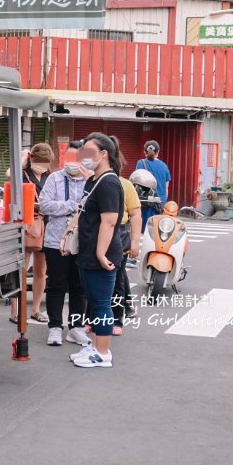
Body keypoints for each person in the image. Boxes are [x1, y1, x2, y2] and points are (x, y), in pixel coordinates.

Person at [68, 132, 124, 369]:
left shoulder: (109, 182)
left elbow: (109, 221)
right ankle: (96, 345)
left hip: (102, 254)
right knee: (94, 301)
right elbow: (83, 213)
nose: (84, 156)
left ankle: (103, 353)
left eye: (89, 152)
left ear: (103, 154)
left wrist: (101, 254)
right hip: (88, 252)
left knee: (102, 304)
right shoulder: (94, 180)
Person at [39, 144, 89, 347]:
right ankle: (55, 327)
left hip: (82, 241)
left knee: (79, 285)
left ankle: (76, 328)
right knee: (56, 284)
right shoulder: (55, 178)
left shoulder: (90, 181)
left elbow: (92, 208)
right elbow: (44, 205)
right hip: (55, 240)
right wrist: (70, 206)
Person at [9, 143, 53, 324]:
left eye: (45, 162)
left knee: (41, 271)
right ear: (31, 159)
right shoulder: (22, 173)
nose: (42, 165)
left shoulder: (51, 177)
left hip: (45, 225)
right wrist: (21, 158)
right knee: (21, 268)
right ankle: (15, 311)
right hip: (25, 225)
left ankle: (35, 309)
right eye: (39, 161)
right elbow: (9, 176)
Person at [112, 143, 142, 336]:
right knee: (91, 282)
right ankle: (91, 318)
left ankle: (117, 319)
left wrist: (135, 241)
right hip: (94, 235)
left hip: (119, 235)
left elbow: (135, 214)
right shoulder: (90, 181)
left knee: (116, 281)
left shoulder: (126, 184)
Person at [136, 140, 172, 230]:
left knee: (144, 232)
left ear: (144, 151)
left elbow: (137, 182)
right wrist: (163, 203)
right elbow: (166, 187)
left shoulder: (141, 163)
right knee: (156, 232)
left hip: (146, 203)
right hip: (160, 203)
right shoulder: (164, 166)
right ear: (158, 152)